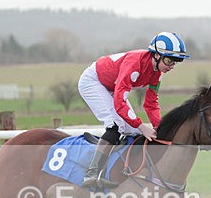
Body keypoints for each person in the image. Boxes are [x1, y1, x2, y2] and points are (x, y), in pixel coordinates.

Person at [78, 31, 190, 188]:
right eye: (169, 60)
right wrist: (141, 125)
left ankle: (121, 170)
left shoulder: (157, 73)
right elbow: (119, 102)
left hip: (112, 86)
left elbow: (150, 104)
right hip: (94, 82)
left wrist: (160, 127)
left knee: (134, 132)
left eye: (175, 62)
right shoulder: (134, 64)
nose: (171, 66)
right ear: (156, 55)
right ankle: (92, 172)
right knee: (116, 126)